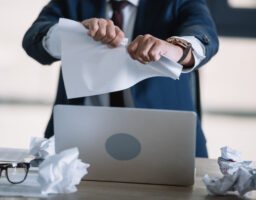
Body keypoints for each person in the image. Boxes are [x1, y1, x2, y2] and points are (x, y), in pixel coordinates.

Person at [22, 0, 219, 157]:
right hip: (78, 142)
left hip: (165, 144)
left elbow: (204, 34)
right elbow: (33, 39)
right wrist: (74, 33)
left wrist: (176, 50)